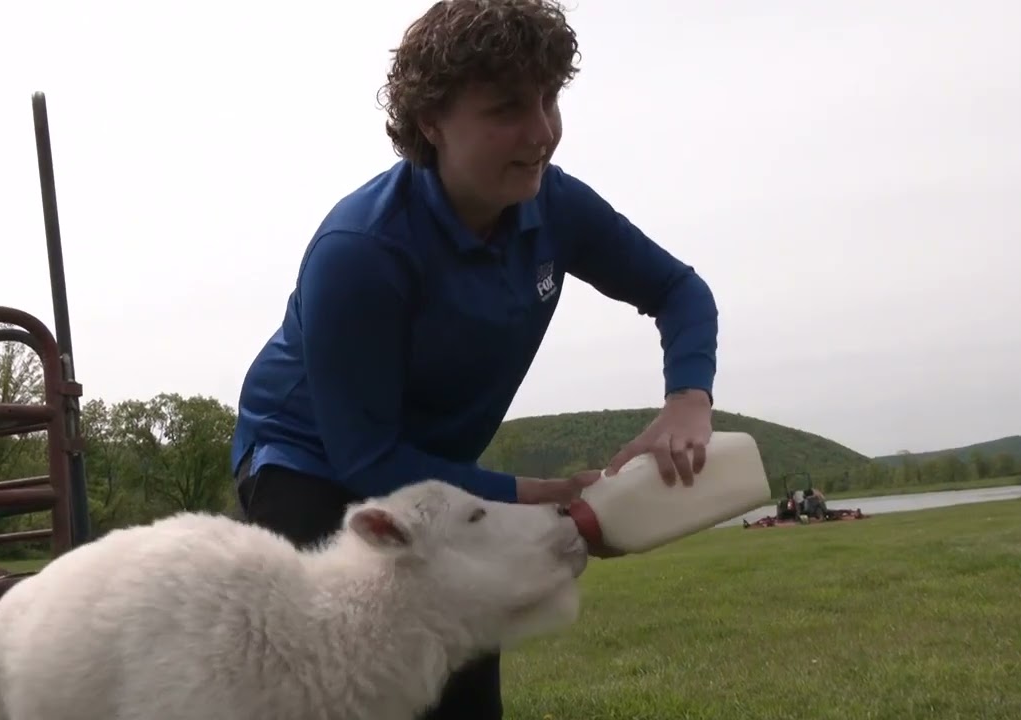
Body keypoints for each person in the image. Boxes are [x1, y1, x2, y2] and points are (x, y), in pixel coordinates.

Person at [229, 0, 719, 717]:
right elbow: (366, 460)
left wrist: (688, 400)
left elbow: (678, 289)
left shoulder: (555, 207)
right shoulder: (362, 252)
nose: (543, 132)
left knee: (461, 680)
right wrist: (549, 495)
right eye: (506, 109)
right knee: (329, 689)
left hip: (440, 474)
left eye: (550, 99)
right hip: (310, 465)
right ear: (431, 122)